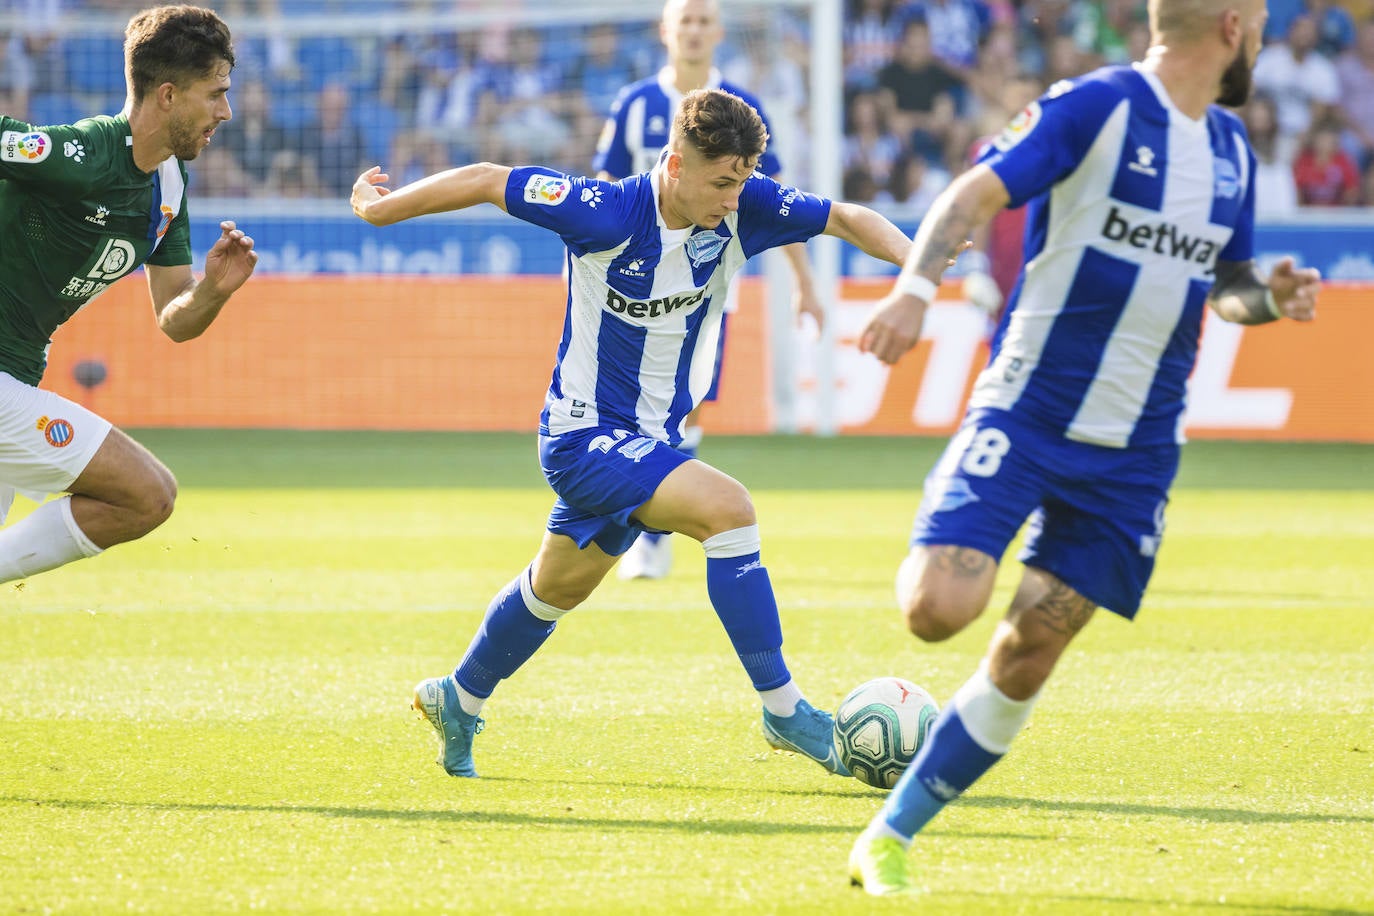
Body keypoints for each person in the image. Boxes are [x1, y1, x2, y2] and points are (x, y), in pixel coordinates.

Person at [846, 0, 1320, 895]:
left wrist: (1270, 293)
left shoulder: (1230, 152)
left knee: (1031, 646)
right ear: (1230, 25)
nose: (1259, 36)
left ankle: (889, 834)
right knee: (936, 609)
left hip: (1136, 452)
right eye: (1257, 21)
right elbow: (971, 192)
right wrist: (915, 286)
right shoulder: (1093, 106)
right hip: (1027, 411)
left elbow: (1227, 290)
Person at [350, 88, 912, 780]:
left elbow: (847, 218)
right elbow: (489, 180)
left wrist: (914, 271)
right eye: (722, 182)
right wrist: (381, 209)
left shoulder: (747, 208)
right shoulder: (606, 211)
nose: (735, 199)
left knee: (555, 588)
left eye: (742, 182)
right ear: (676, 164)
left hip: (652, 442)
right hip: (581, 435)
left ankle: (457, 698)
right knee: (729, 513)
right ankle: (785, 711)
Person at [0, 5, 257, 585]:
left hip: (14, 377)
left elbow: (174, 317)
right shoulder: (87, 155)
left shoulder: (169, 182)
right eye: (215, 93)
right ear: (167, 95)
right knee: (148, 493)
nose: (227, 110)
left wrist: (213, 292)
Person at [594, 0, 825, 580]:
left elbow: (773, 204)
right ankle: (638, 525)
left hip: (704, 283)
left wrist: (804, 280)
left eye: (704, 21)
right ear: (666, 31)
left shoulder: (738, 110)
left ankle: (651, 532)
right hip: (632, 280)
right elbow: (600, 190)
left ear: (718, 33)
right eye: (685, 21)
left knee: (685, 403)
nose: (694, 31)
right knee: (627, 403)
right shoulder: (635, 105)